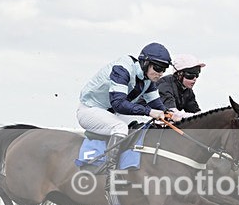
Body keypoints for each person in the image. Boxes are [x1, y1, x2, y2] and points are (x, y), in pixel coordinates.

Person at [76, 42, 180, 172]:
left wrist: (169, 114)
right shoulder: (122, 70)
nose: (160, 74)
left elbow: (156, 104)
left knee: (143, 124)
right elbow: (118, 104)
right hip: (90, 110)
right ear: (145, 63)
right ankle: (110, 173)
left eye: (164, 70)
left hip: (111, 114)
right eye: (158, 68)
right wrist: (149, 112)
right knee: (120, 128)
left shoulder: (148, 79)